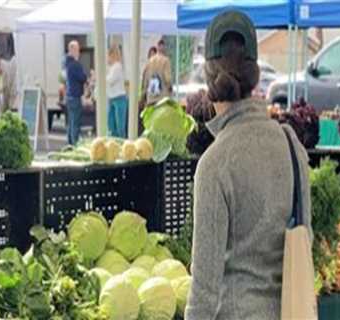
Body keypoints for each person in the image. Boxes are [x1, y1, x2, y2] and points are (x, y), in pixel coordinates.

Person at [185, 11, 311, 320]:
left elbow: (204, 288)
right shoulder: (290, 142)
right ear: (255, 74)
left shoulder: (215, 164)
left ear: (207, 78)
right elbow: (304, 236)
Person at [65, 40, 87, 145]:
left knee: (70, 121)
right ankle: (74, 144)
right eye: (77, 50)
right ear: (72, 50)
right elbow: (83, 77)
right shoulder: (75, 64)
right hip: (75, 96)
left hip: (69, 96)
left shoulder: (66, 63)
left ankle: (69, 142)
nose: (79, 52)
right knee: (75, 122)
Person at [140, 39, 172, 106]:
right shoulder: (166, 61)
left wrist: (142, 96)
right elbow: (168, 79)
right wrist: (170, 88)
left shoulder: (149, 61)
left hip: (151, 97)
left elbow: (145, 80)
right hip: (162, 98)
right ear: (164, 48)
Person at [106, 45, 128, 138]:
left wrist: (101, 77)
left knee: (119, 126)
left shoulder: (117, 67)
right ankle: (114, 142)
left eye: (108, 55)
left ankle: (122, 144)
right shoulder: (111, 68)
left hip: (119, 98)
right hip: (112, 98)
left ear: (112, 55)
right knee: (111, 124)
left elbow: (110, 80)